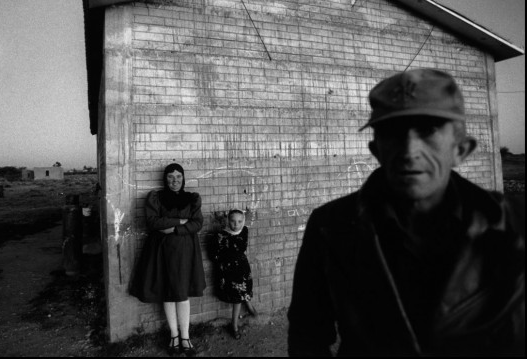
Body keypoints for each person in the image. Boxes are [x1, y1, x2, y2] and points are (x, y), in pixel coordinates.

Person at [288, 69, 525, 357]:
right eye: (392, 132)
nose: (409, 149)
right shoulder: (331, 227)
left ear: (461, 150)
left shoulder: (515, 222)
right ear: (377, 150)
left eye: (427, 130)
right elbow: (307, 336)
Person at [130, 163, 206, 357]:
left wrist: (173, 228)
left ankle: (186, 337)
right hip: (161, 251)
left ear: (183, 178)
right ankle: (174, 335)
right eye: (171, 177)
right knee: (167, 291)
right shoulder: (155, 198)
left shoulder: (192, 199)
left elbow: (197, 223)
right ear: (165, 179)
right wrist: (181, 221)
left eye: (178, 177)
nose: (175, 181)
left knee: (181, 293)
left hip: (185, 251)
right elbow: (152, 222)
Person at [213, 209, 258, 339]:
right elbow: (216, 254)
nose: (236, 224)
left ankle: (249, 305)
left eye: (239, 221)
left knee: (246, 288)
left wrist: (230, 251)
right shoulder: (221, 235)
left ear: (243, 221)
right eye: (232, 221)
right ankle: (234, 326)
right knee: (237, 298)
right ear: (228, 221)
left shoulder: (244, 231)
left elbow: (241, 248)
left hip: (242, 267)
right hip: (229, 269)